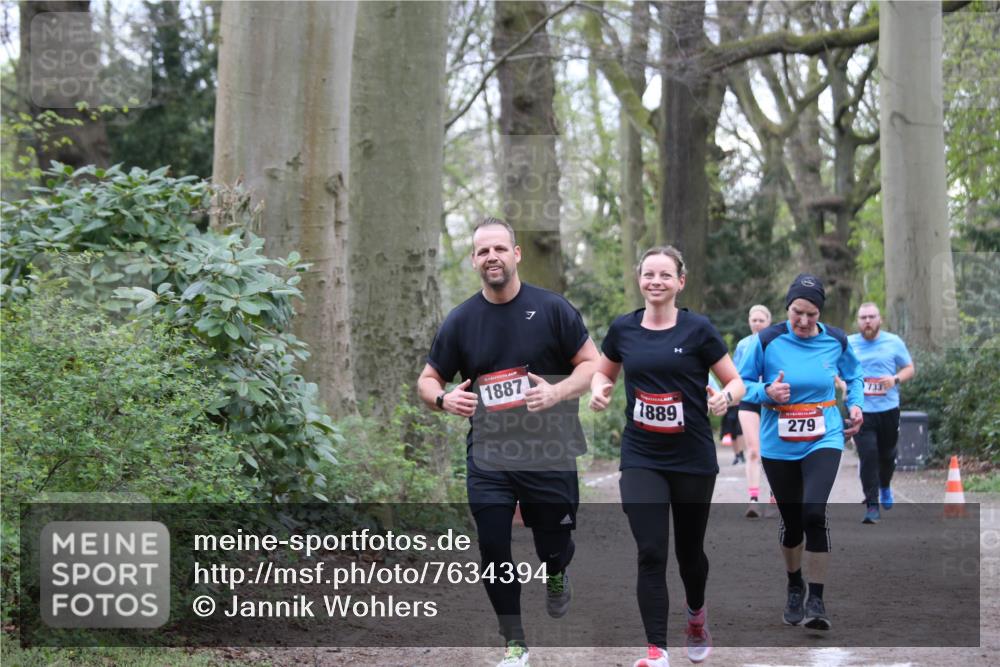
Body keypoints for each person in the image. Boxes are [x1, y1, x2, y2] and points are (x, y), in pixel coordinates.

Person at [417, 217, 598, 667]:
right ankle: (514, 642)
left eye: (499, 248)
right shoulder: (461, 321)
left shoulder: (553, 309)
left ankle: (557, 572)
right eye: (482, 251)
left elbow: (592, 365)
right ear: (474, 260)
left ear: (516, 254)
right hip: (490, 456)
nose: (491, 257)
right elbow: (427, 379)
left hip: (549, 451)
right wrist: (443, 398)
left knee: (553, 545)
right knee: (493, 546)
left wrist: (556, 391)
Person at [589, 246, 745, 667]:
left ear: (680, 282)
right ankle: (656, 649)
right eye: (648, 274)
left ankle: (696, 615)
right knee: (651, 550)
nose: (655, 281)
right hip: (641, 454)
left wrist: (724, 398)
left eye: (664, 275)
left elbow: (736, 382)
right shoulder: (623, 330)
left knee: (688, 553)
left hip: (692, 456)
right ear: (639, 279)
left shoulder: (698, 330)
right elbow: (604, 371)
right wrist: (599, 389)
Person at [737, 274, 863, 631]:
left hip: (824, 437)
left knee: (814, 512)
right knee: (792, 522)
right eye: (797, 313)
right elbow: (740, 383)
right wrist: (766, 393)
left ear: (820, 312)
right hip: (778, 443)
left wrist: (855, 405)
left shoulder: (836, 340)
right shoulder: (766, 340)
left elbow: (854, 376)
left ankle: (817, 599)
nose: (804, 321)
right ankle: (795, 584)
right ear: (787, 309)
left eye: (811, 313)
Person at [848, 303, 915, 524]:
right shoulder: (849, 344)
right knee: (868, 455)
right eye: (863, 317)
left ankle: (885, 485)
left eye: (871, 317)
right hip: (861, 411)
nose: (867, 321)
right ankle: (872, 504)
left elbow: (909, 368)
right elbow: (835, 370)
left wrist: (894, 379)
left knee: (887, 456)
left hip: (888, 409)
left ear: (880, 319)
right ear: (858, 321)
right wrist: (841, 384)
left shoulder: (893, 342)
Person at [734, 305, 773, 518]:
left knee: (773, 450)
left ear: (768, 322)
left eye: (761, 320)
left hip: (770, 401)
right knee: (753, 450)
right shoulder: (743, 345)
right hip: (749, 400)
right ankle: (753, 499)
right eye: (753, 319)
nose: (757, 323)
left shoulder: (776, 342)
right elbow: (735, 374)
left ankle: (776, 496)